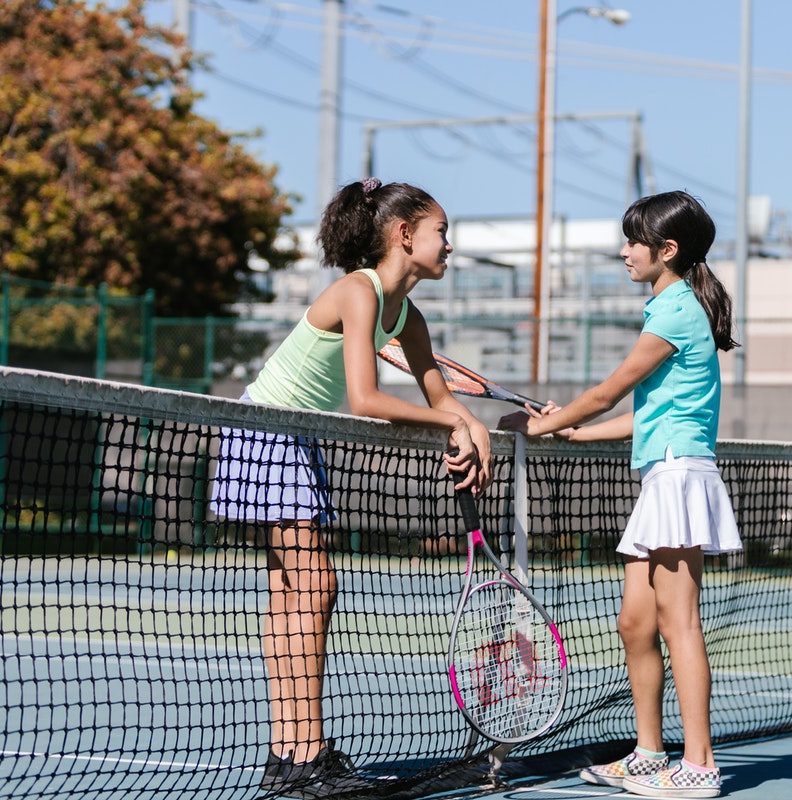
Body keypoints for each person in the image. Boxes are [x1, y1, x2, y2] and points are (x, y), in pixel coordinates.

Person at [210, 179, 493, 799]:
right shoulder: (358, 292)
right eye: (441, 232)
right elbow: (366, 401)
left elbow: (440, 397)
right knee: (311, 585)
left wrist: (473, 427)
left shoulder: (407, 315)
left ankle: (291, 754)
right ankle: (302, 755)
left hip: (297, 434)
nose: (449, 244)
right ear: (404, 235)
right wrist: (455, 422)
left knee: (295, 591)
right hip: (267, 426)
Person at [499, 190, 741, 799]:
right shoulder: (668, 307)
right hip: (660, 470)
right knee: (636, 621)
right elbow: (643, 411)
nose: (623, 251)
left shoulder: (676, 311)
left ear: (667, 250)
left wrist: (540, 425)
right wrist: (577, 431)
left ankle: (701, 764)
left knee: (677, 619)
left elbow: (611, 390)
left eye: (634, 241)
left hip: (680, 476)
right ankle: (649, 752)